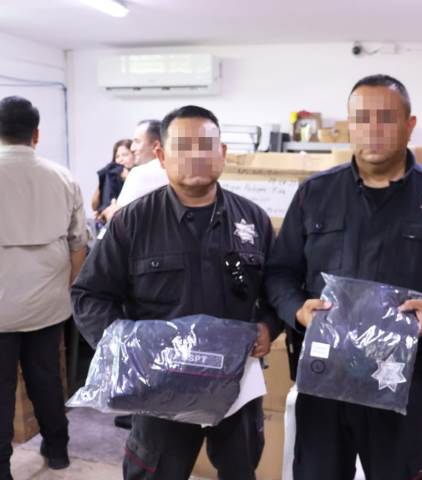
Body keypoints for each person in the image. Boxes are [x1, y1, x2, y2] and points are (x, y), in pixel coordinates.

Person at [265, 74, 422, 480]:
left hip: (400, 380)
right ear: (350, 126)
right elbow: (280, 273)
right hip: (324, 379)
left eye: (386, 118)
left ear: (409, 125)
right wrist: (297, 310)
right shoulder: (315, 193)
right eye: (362, 118)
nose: (373, 129)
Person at [71, 105, 282, 480]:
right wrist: (129, 350)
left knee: (240, 469)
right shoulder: (132, 222)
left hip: (237, 382)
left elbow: (278, 287)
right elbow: (89, 296)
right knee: (158, 472)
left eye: (207, 145)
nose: (196, 155)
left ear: (222, 152)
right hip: (159, 387)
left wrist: (269, 326)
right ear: (162, 156)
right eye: (183, 146)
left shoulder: (253, 220)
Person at [0, 96, 88, 480]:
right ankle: (58, 450)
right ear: (36, 134)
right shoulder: (63, 177)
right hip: (48, 304)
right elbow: (79, 244)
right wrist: (66, 289)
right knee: (46, 377)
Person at [99, 119, 167, 224]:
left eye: (137, 141)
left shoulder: (139, 173)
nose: (132, 148)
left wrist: (110, 211)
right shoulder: (176, 172)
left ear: (155, 146)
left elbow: (116, 219)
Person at [91, 139, 135, 222]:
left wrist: (128, 178)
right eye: (117, 156)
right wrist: (101, 183)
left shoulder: (139, 175)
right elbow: (94, 206)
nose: (120, 159)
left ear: (134, 155)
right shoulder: (110, 174)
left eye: (125, 155)